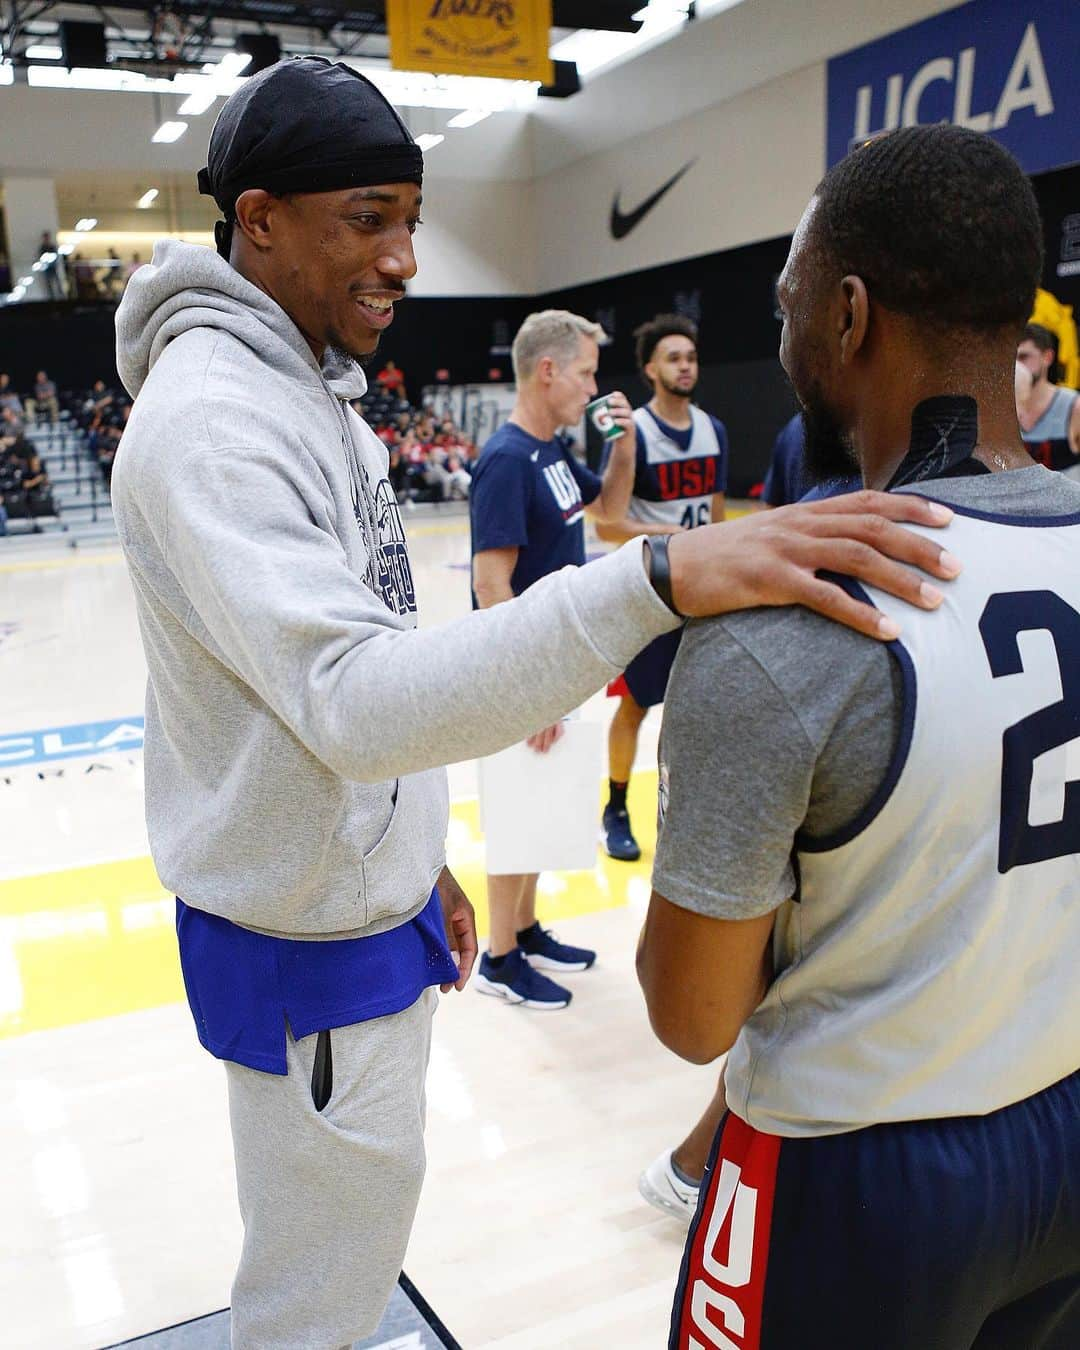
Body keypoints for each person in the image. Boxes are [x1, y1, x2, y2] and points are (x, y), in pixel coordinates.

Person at [110, 57, 961, 1350]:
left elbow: (356, 666)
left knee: (354, 1236)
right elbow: (350, 697)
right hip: (299, 938)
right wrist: (656, 577)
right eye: (370, 217)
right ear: (260, 218)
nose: (404, 255)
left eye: (411, 215)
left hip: (349, 897)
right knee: (312, 1287)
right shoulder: (215, 422)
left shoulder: (308, 396)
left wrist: (410, 852)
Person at [638, 124, 1080, 1350]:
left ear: (846, 314)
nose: (780, 339)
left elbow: (692, 1018)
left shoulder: (798, 615)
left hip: (861, 1169)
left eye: (786, 306)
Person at [469, 308, 638, 1009]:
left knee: (542, 808)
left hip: (555, 665)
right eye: (587, 373)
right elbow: (490, 582)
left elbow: (610, 515)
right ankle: (498, 957)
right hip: (521, 674)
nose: (592, 388)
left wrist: (621, 448)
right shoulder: (508, 459)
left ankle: (527, 928)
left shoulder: (552, 451)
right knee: (516, 814)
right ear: (547, 371)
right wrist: (526, 692)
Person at [595, 313, 727, 862]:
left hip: (702, 590)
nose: (685, 366)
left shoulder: (713, 428)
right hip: (648, 591)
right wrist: (675, 534)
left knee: (699, 705)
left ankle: (687, 807)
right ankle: (616, 805)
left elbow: (716, 517)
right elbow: (606, 523)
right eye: (673, 357)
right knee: (635, 707)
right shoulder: (632, 434)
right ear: (651, 369)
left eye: (691, 357)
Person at [1016, 322, 1080, 475]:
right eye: (1013, 358)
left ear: (1047, 357)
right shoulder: (998, 408)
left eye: (1024, 357)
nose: (1017, 365)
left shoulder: (1074, 406)